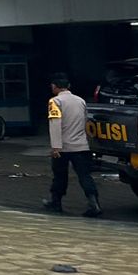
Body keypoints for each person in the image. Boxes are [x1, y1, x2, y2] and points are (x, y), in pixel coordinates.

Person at [43, 72, 100, 217]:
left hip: (63, 147)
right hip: (81, 146)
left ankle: (56, 203)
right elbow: (86, 121)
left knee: (60, 175)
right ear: (68, 86)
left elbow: (55, 123)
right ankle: (94, 203)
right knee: (85, 175)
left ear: (54, 87)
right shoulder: (80, 100)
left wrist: (55, 147)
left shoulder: (55, 102)